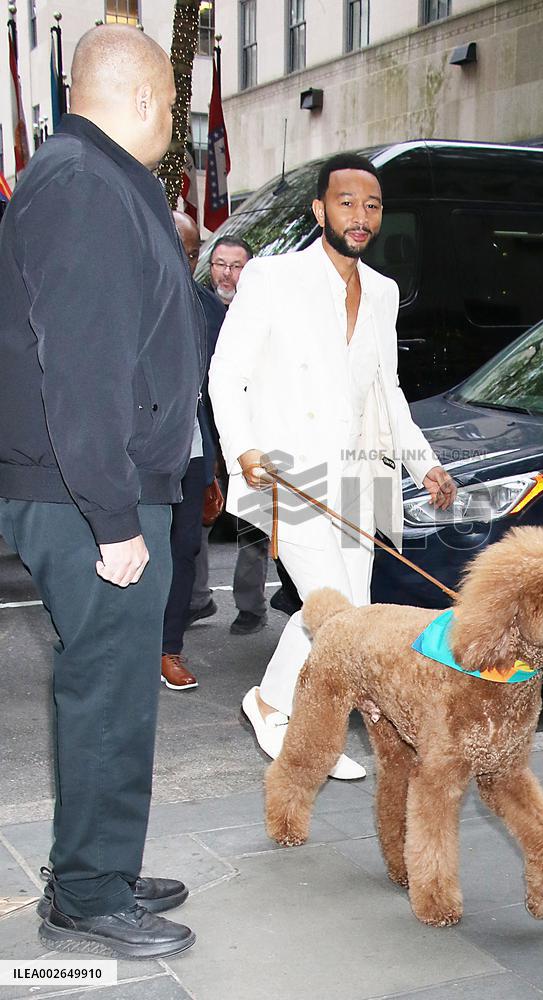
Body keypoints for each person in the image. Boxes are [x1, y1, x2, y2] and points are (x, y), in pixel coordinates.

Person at [0, 25, 204, 958]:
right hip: (92, 495)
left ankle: (101, 865)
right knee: (109, 692)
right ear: (143, 101)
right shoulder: (84, 186)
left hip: (103, 486)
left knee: (116, 688)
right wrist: (114, 518)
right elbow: (82, 367)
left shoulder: (89, 180)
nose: (178, 122)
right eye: (175, 106)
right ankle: (86, 892)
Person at [209, 152, 456, 781]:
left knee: (349, 610)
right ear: (320, 209)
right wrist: (243, 448)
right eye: (347, 202)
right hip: (285, 469)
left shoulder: (382, 292)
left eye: (372, 206)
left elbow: (386, 392)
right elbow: (226, 372)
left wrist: (422, 462)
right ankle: (272, 704)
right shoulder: (271, 278)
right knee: (335, 607)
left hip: (356, 474)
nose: (360, 215)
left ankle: (306, 725)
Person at [188, 235, 284, 637]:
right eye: (220, 264)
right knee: (199, 518)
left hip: (253, 432)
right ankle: (196, 600)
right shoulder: (197, 308)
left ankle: (251, 606)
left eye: (236, 265)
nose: (227, 273)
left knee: (253, 524)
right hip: (209, 430)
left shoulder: (266, 309)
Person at [160, 213, 227, 691]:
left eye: (191, 249)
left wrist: (220, 459)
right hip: (142, 452)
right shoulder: (133, 298)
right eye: (177, 246)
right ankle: (128, 646)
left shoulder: (210, 308)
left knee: (184, 550)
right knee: (139, 551)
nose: (186, 258)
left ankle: (169, 648)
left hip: (195, 448)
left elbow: (222, 387)